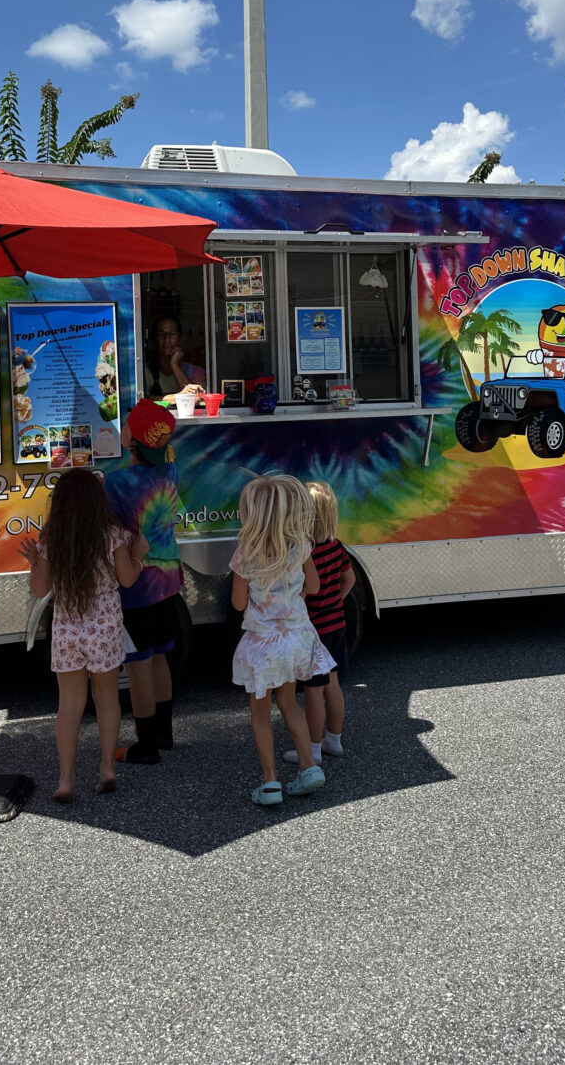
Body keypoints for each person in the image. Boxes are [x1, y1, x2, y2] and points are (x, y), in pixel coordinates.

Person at [19, 467, 148, 803]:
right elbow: (127, 579)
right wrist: (138, 556)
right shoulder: (113, 535)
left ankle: (66, 778)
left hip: (66, 632)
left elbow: (40, 588)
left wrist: (35, 561)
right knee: (106, 699)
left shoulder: (52, 540)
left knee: (69, 705)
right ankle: (107, 768)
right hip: (104, 630)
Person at [231, 475, 335, 806]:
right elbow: (315, 587)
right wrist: (296, 591)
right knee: (290, 702)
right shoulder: (301, 545)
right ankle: (308, 767)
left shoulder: (245, 553)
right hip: (297, 639)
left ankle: (270, 781)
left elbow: (236, 603)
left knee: (260, 712)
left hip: (263, 645)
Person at [104, 399, 183, 763]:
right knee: (161, 657)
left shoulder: (117, 481)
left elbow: (112, 530)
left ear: (132, 439)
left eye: (127, 425)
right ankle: (164, 734)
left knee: (137, 664)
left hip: (135, 583)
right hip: (168, 578)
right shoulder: (170, 471)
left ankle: (146, 746)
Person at [284, 481, 356, 768]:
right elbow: (348, 579)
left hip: (312, 630)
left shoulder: (304, 551)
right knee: (333, 683)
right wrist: (335, 600)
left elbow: (305, 590)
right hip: (336, 624)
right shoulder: (336, 546)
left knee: (313, 690)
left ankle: (312, 750)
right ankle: (334, 740)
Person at [144, 314, 206, 405]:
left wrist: (174, 365)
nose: (167, 339)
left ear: (181, 339)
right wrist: (178, 397)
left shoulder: (195, 371)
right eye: (161, 334)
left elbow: (198, 399)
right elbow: (142, 399)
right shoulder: (146, 371)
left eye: (172, 334)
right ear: (155, 339)